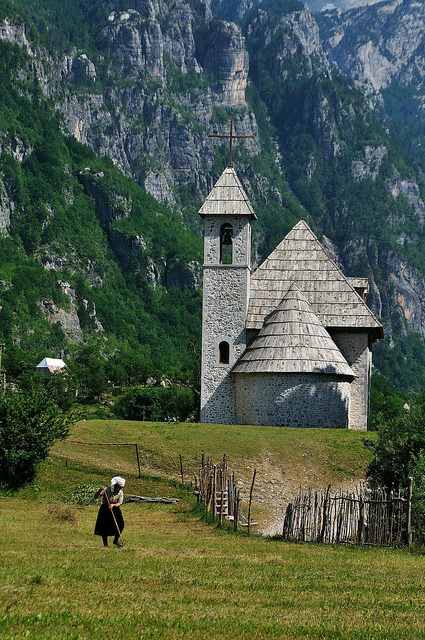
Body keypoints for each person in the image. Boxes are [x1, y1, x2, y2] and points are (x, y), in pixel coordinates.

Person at [94, 476, 125, 547]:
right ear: (115, 486)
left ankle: (116, 540)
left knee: (120, 525)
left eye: (121, 488)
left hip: (115, 509)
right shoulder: (106, 490)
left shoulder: (120, 492)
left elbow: (120, 503)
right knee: (104, 526)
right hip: (105, 509)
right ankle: (105, 544)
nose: (120, 489)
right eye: (119, 487)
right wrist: (99, 490)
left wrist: (113, 505)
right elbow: (95, 497)